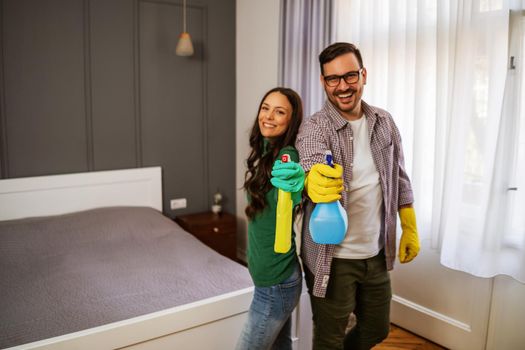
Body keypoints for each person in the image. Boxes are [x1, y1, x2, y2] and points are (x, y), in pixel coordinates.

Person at [296, 42, 420, 350]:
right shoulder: (315, 126)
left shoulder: (384, 122)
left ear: (363, 75)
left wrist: (410, 227)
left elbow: (399, 177)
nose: (342, 86)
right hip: (333, 259)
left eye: (350, 75)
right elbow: (310, 160)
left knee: (377, 330)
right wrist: (314, 181)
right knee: (329, 339)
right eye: (332, 79)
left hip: (376, 253)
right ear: (324, 82)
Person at [236, 87, 305, 350]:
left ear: (291, 120)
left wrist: (299, 186)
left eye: (280, 112)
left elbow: (293, 188)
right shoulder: (265, 151)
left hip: (276, 283)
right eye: (265, 108)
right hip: (272, 279)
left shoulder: (287, 156)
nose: (268, 116)